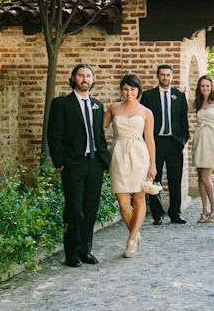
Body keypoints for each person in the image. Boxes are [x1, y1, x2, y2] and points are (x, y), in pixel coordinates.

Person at [47, 64, 112, 267]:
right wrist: (61, 163)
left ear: (92, 80)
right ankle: (71, 253)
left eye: (88, 76)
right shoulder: (61, 104)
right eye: (81, 75)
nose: (85, 79)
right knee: (74, 210)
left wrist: (104, 160)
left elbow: (99, 136)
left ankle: (85, 250)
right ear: (73, 78)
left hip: (94, 163)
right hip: (73, 164)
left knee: (90, 208)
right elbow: (54, 135)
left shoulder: (97, 105)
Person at [103, 74, 157, 258]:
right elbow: (99, 126)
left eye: (133, 89)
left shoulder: (146, 112)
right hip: (118, 155)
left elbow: (149, 139)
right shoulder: (114, 108)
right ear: (121, 89)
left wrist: (153, 164)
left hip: (139, 156)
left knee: (138, 198)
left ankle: (131, 239)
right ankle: (135, 233)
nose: (129, 92)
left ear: (138, 91)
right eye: (126, 89)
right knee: (123, 204)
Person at [141, 65, 190, 225]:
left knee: (175, 178)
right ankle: (157, 214)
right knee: (154, 178)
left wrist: (184, 138)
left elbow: (184, 119)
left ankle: (175, 213)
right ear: (157, 76)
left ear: (171, 76)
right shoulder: (148, 96)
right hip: (155, 142)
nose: (165, 78)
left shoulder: (179, 96)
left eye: (168, 75)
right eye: (162, 75)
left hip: (174, 142)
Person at [191, 75, 214, 223]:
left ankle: (213, 209)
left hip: (211, 140)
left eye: (207, 86)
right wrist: (179, 93)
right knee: (200, 177)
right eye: (202, 86)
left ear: (211, 87)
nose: (205, 88)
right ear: (199, 87)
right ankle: (204, 210)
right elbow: (181, 107)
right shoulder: (197, 102)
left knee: (205, 178)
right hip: (199, 139)